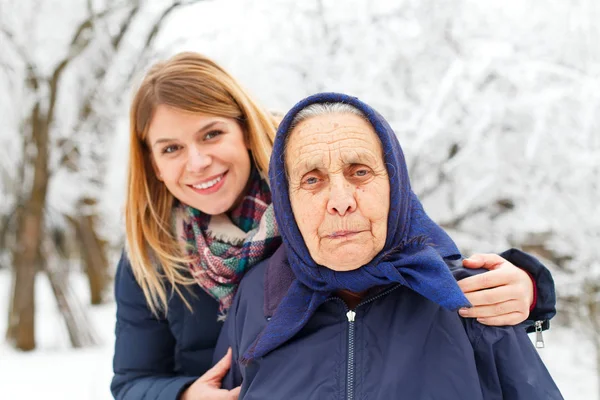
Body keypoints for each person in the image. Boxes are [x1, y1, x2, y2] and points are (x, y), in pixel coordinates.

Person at [111, 53, 556, 400]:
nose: (197, 161)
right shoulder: (154, 256)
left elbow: (419, 248)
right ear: (152, 163)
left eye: (211, 134)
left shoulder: (316, 187)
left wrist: (528, 288)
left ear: (245, 129)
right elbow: (131, 382)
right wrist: (186, 394)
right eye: (170, 148)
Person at [216, 93, 563, 399]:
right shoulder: (256, 295)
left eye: (360, 172)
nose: (340, 201)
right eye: (312, 179)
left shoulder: (469, 297)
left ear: (395, 186)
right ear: (287, 202)